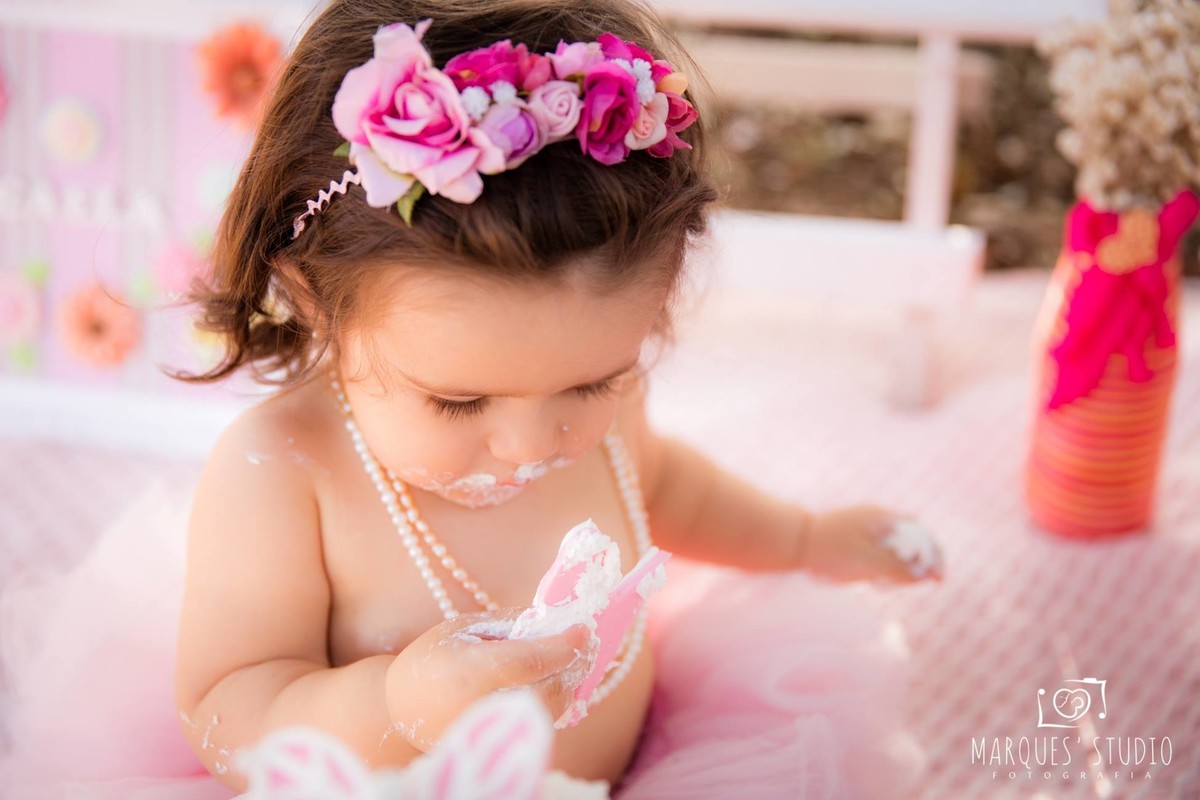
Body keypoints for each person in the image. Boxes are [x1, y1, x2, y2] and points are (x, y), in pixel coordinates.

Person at [0, 0, 941, 797]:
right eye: (458, 403)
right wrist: (401, 705)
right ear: (315, 299)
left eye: (593, 381)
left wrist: (805, 540)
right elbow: (227, 711)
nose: (534, 441)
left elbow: (671, 492)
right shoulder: (286, 476)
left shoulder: (597, 421)